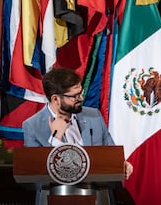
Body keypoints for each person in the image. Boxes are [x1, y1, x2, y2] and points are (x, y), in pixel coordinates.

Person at [22, 67, 133, 204]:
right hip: (54, 199)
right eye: (74, 96)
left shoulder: (94, 116)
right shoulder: (33, 126)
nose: (81, 98)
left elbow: (110, 153)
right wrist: (56, 139)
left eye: (81, 92)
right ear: (56, 99)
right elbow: (36, 177)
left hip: (98, 198)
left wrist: (121, 165)